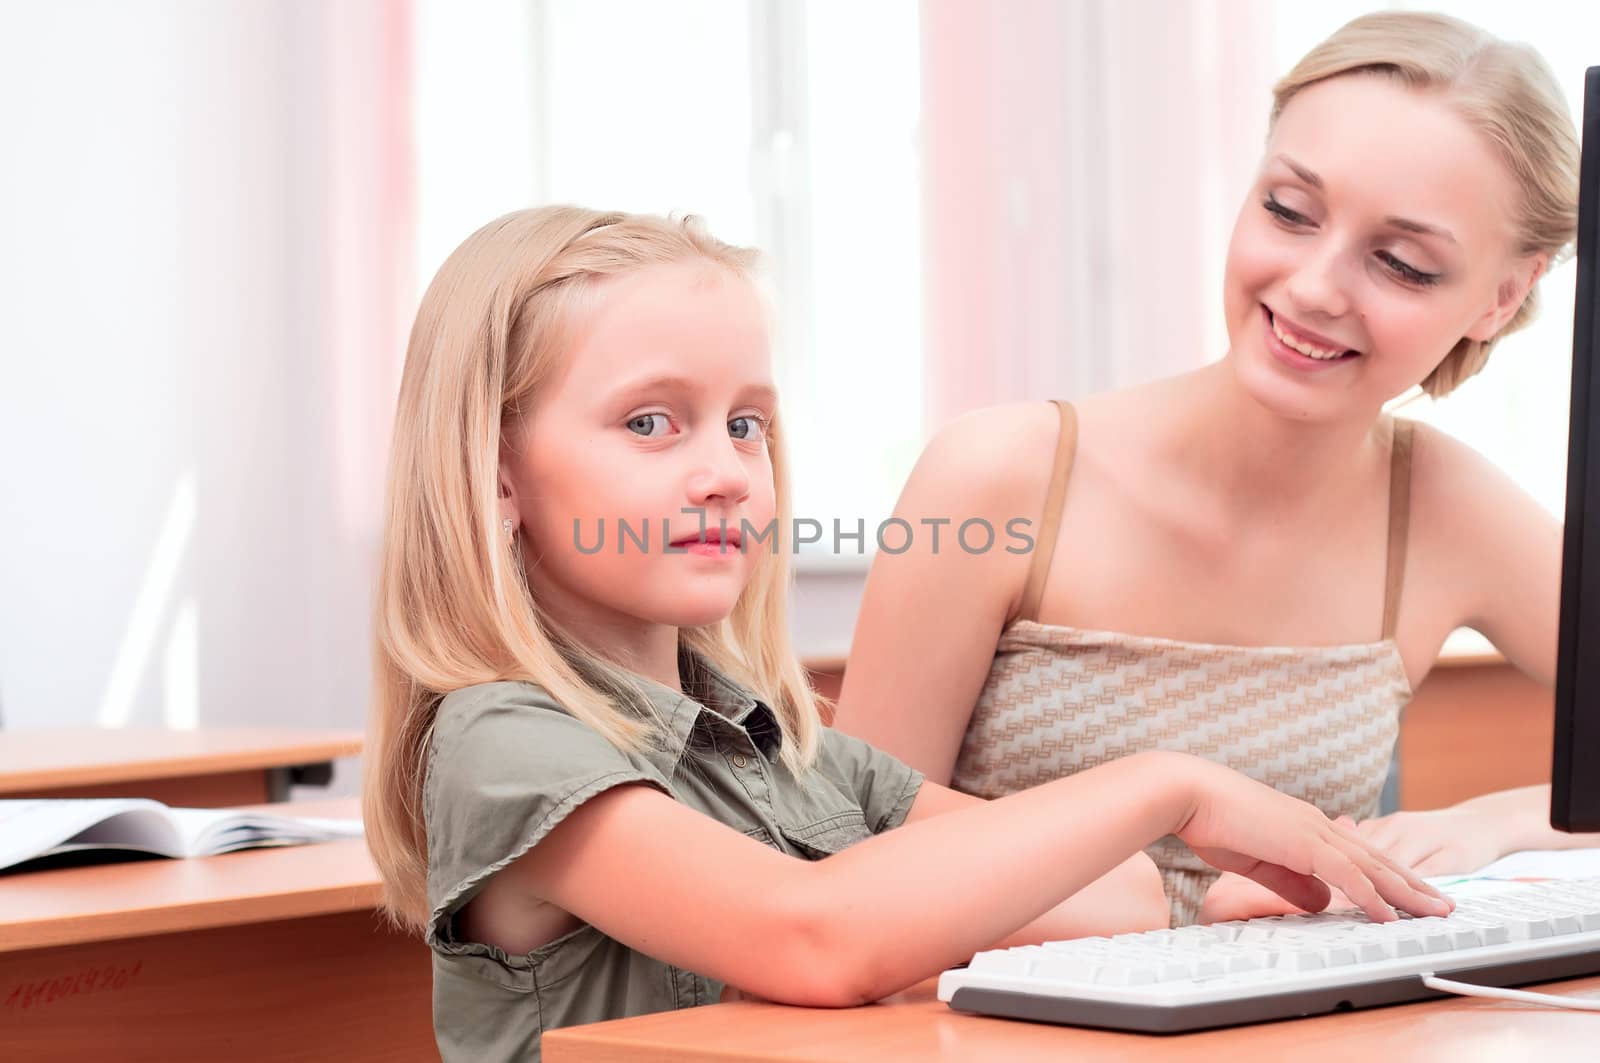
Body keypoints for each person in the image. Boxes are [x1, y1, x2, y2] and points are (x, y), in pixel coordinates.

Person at [358, 205, 1446, 1060]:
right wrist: (1168, 784)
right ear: (496, 478)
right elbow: (814, 935)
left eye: (746, 423)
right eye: (651, 422)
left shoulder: (783, 743)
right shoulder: (501, 738)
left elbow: (1085, 893)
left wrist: (1300, 892)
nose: (727, 473)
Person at [833, 10, 1598, 928]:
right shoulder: (1000, 477)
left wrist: (1501, 822)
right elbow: (851, 844)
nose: (1315, 287)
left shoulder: (1445, 510)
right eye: (1287, 209)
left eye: (1400, 263)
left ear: (1504, 296)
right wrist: (1157, 907)